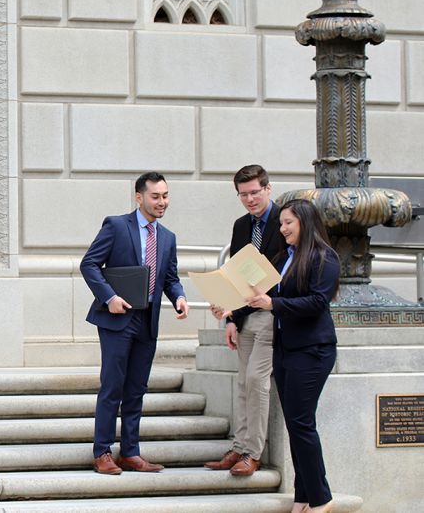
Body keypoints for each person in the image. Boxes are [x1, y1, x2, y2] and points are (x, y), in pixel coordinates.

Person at [80, 172, 190, 475]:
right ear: (139, 197)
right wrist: (109, 297)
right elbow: (89, 264)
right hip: (117, 317)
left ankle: (130, 451)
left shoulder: (168, 237)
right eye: (156, 196)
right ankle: (102, 451)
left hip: (148, 320)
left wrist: (179, 297)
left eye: (166, 196)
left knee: (137, 388)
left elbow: (170, 278)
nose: (162, 202)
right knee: (112, 386)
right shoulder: (116, 226)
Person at [245, 198, 339, 513]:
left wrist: (274, 306)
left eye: (288, 223)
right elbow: (266, 295)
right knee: (296, 424)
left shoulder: (325, 258)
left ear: (305, 223)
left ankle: (322, 499)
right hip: (286, 349)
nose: (282, 228)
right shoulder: (285, 257)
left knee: (301, 423)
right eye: (281, 223)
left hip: (313, 351)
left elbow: (316, 303)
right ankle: (303, 497)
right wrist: (230, 305)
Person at [205, 165, 285, 476]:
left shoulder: (285, 221)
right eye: (243, 194)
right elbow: (236, 274)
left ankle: (254, 453)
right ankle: (239, 447)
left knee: (256, 381)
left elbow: (282, 273)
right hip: (244, 316)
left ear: (268, 188)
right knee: (242, 383)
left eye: (254, 192)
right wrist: (230, 319)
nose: (250, 199)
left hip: (269, 312)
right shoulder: (241, 226)